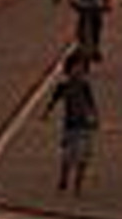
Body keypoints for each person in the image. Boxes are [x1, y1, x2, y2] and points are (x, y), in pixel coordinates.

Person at [42, 44, 102, 196]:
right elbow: (54, 99)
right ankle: (64, 178)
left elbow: (91, 103)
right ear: (69, 70)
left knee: (83, 156)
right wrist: (47, 112)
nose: (79, 71)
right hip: (70, 125)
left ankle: (77, 184)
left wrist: (94, 117)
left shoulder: (85, 86)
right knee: (68, 155)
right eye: (76, 68)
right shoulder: (64, 86)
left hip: (84, 125)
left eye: (82, 68)